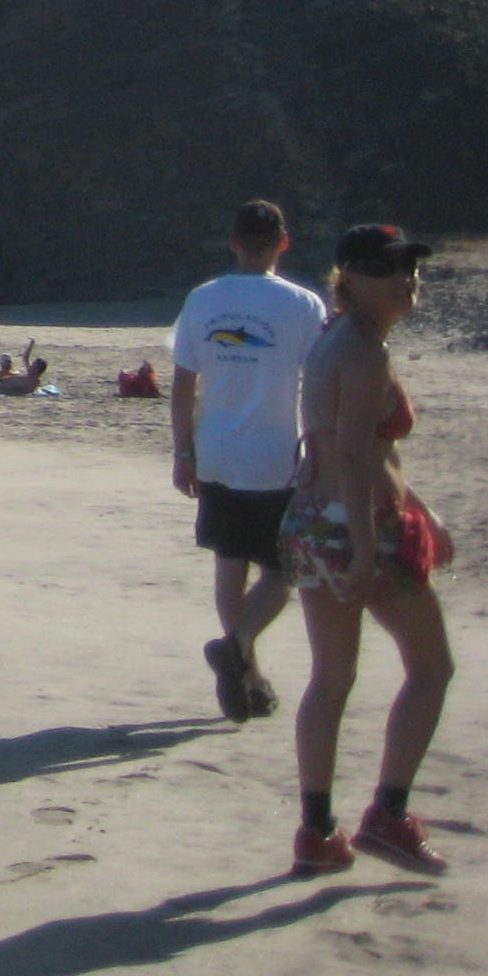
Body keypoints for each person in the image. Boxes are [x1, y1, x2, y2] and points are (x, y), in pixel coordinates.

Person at [281, 223, 456, 875]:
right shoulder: (360, 350)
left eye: (411, 267)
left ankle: (317, 831)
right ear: (348, 278)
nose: (406, 280)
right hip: (354, 531)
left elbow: (366, 451)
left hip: (312, 521)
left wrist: (422, 510)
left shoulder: (339, 339)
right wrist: (362, 548)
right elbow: (354, 455)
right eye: (388, 269)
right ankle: (387, 816)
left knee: (331, 678)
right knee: (432, 668)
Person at [169, 200, 327, 722]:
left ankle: (250, 676)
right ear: (284, 242)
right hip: (277, 453)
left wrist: (183, 450)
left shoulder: (204, 299)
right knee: (283, 568)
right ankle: (238, 651)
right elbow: (322, 386)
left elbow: (184, 384)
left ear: (234, 241)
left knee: (230, 562)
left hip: (217, 450)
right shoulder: (304, 305)